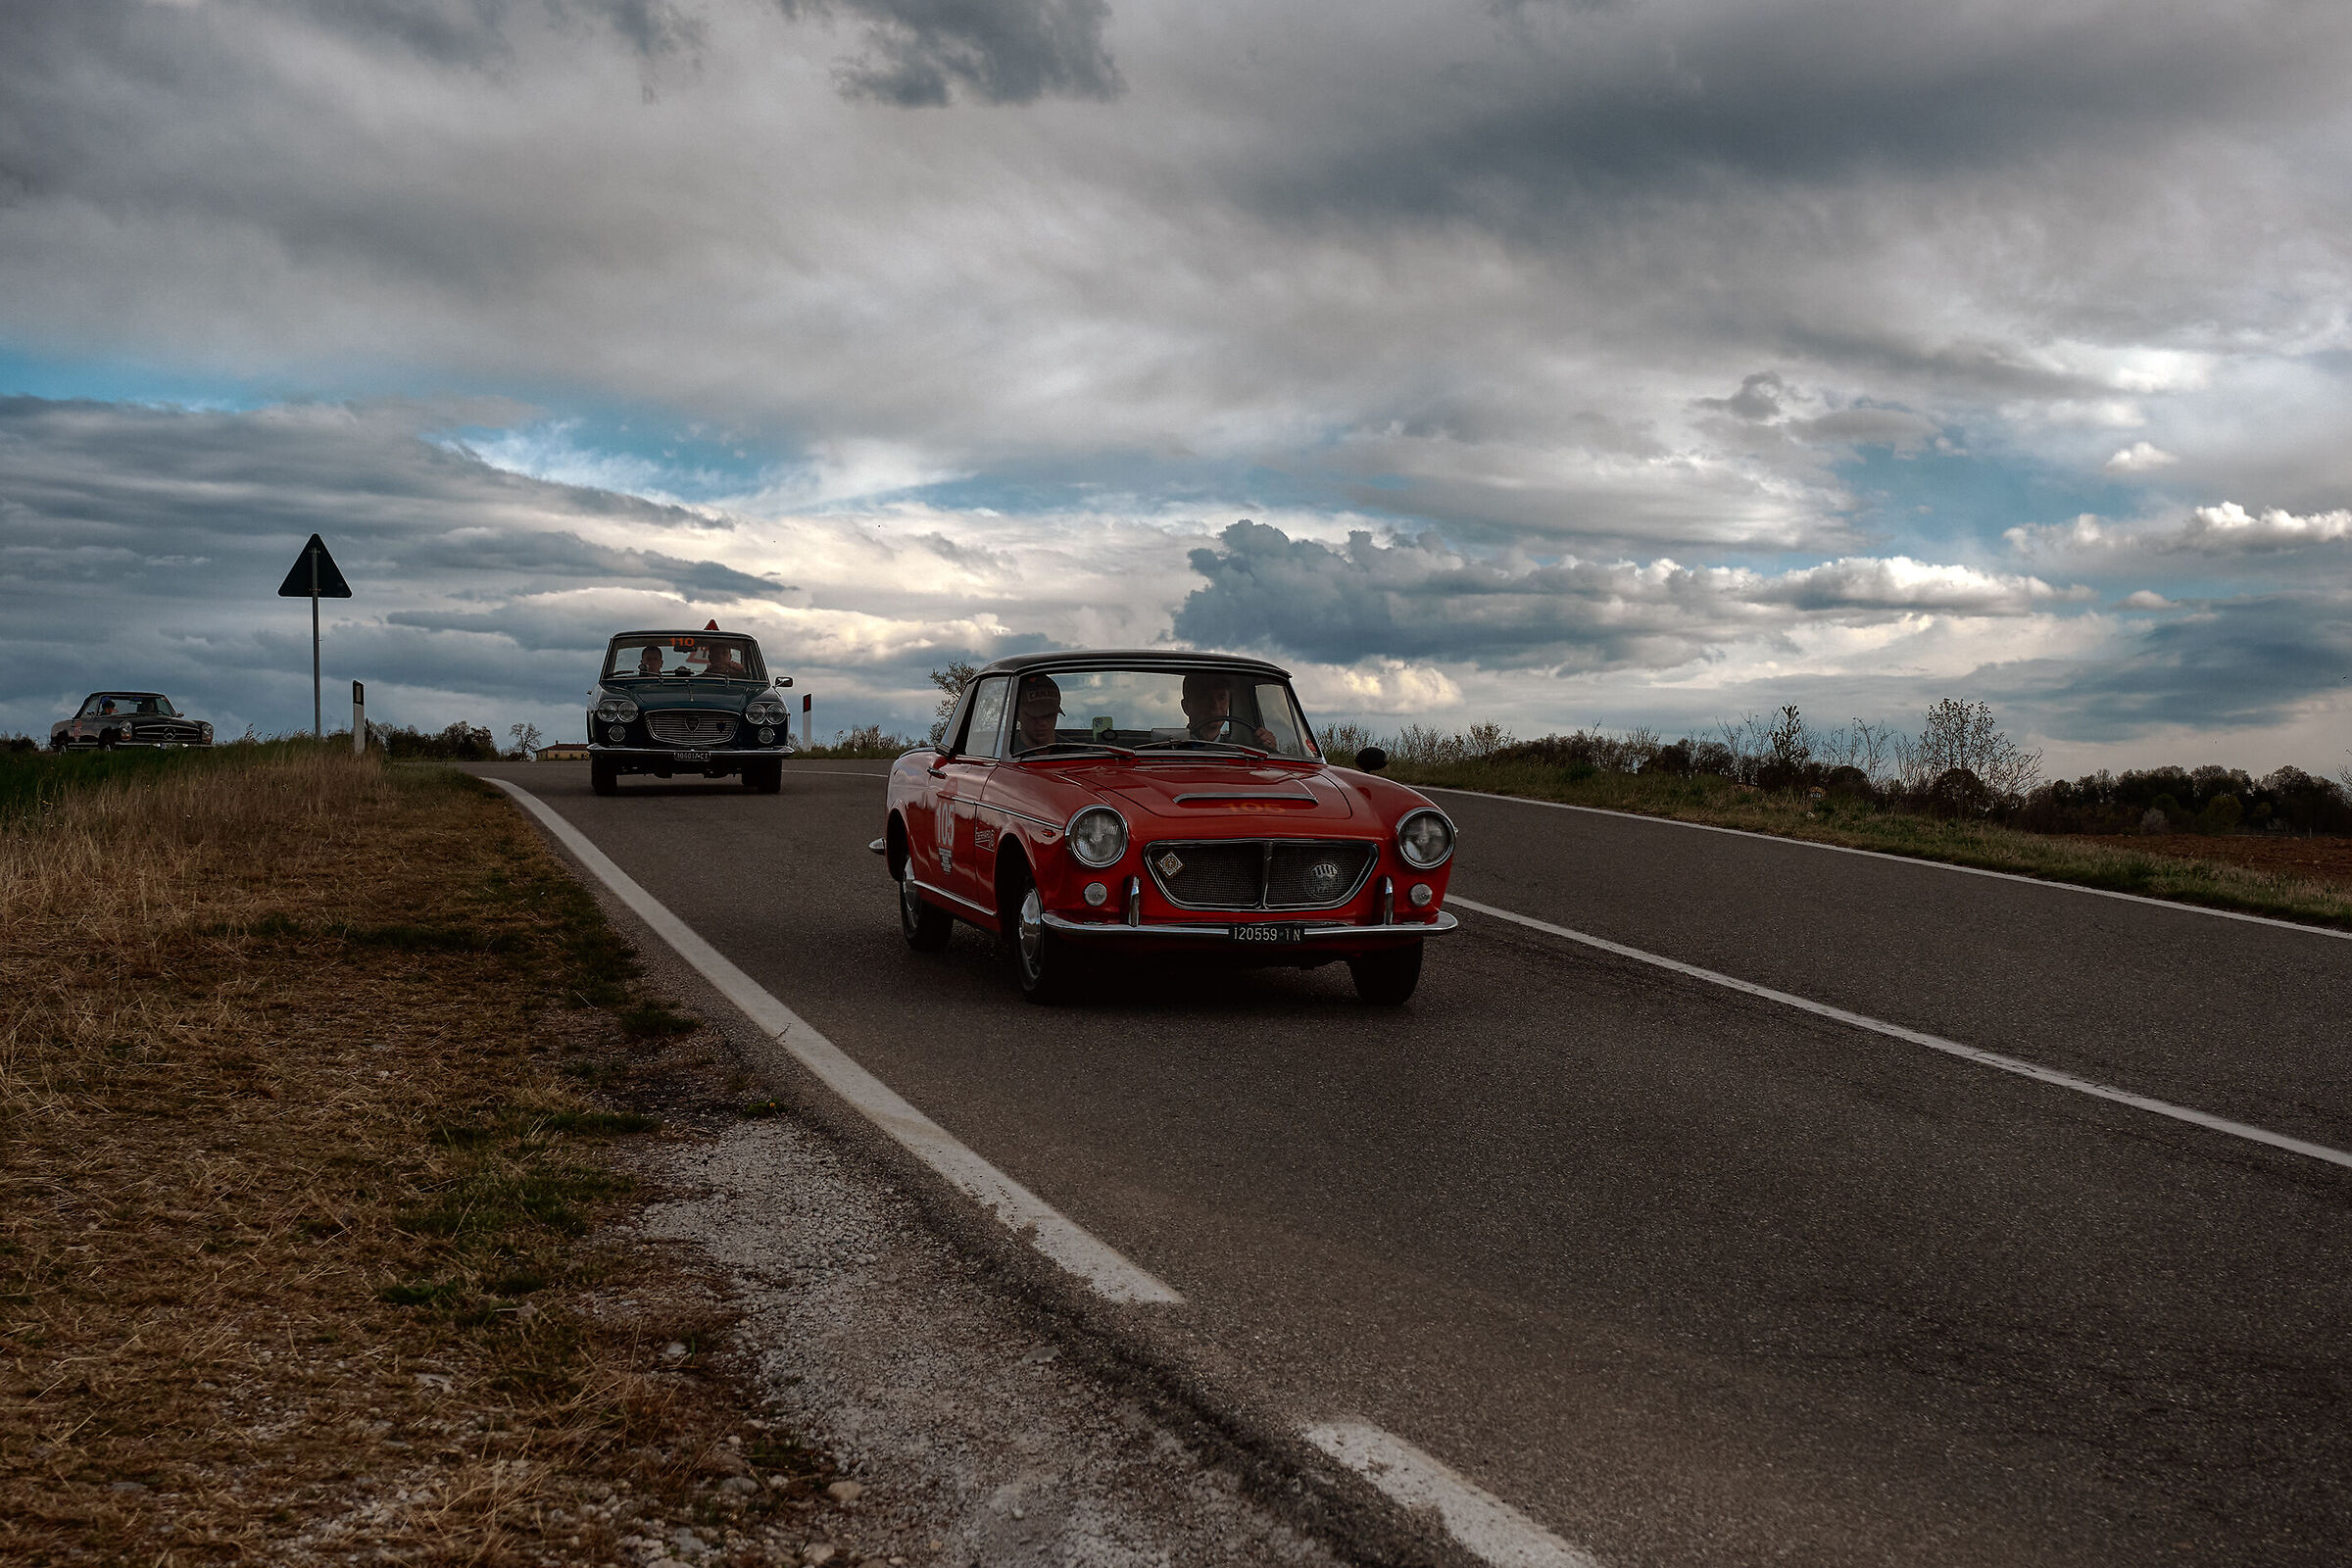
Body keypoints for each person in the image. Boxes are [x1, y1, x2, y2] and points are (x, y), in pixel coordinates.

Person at [1180, 671, 1276, 749]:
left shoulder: (1241, 753)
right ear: (1186, 707)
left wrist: (1269, 748)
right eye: (1204, 698)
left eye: (1222, 698)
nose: (1216, 705)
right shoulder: (1171, 750)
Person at [1013, 676, 1063, 753]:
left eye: (1050, 715)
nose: (1043, 722)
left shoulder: (1076, 754)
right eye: (1034, 714)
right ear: (1017, 714)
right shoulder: (1005, 752)